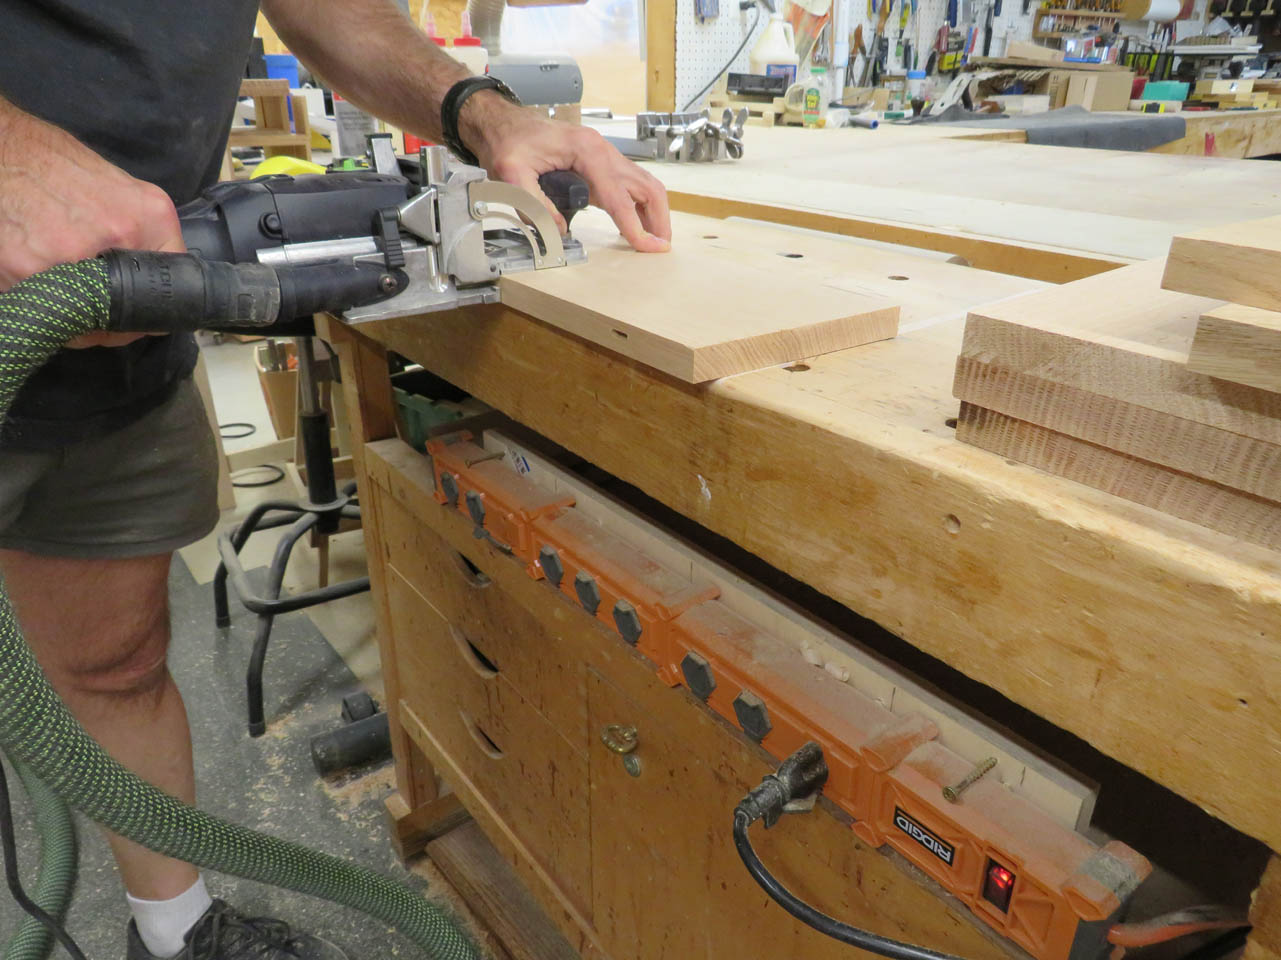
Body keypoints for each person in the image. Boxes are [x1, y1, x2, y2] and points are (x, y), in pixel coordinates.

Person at [0, 1, 672, 958]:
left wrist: (483, 111)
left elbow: (336, 11)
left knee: (116, 663)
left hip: (124, 327)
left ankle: (174, 932)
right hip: (45, 290)